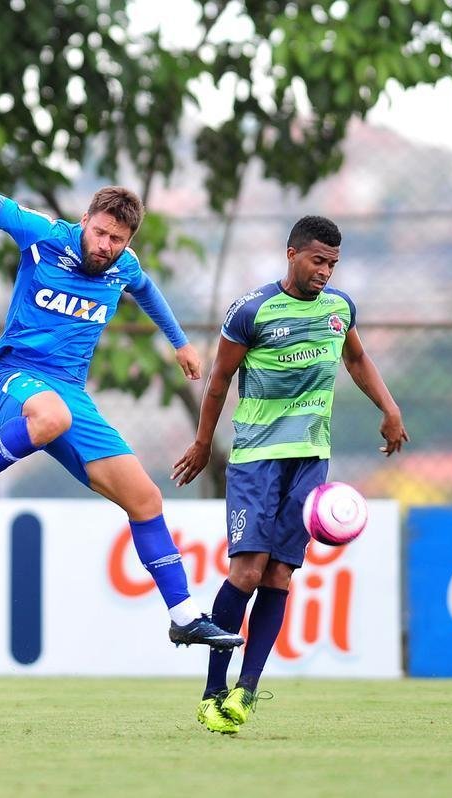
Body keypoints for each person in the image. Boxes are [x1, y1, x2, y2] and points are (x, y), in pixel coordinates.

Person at [0, 102, 243, 652]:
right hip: (15, 382)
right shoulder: (42, 236)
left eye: (117, 241)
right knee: (51, 413)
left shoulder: (123, 267)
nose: (106, 247)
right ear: (85, 222)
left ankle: (183, 614)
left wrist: (179, 342)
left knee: (147, 499)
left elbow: (148, 291)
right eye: (100, 233)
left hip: (70, 400)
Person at [172, 215, 408, 733]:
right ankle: (213, 691)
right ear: (292, 254)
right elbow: (218, 382)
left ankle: (246, 694)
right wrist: (202, 441)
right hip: (256, 459)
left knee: (280, 574)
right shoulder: (251, 312)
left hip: (310, 459)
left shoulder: (340, 310)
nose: (325, 271)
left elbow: (358, 360)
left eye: (332, 264)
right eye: (317, 260)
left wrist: (389, 410)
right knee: (248, 572)